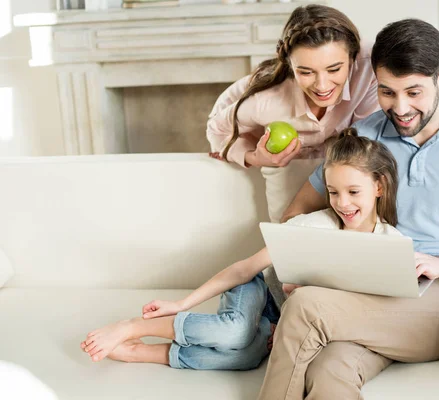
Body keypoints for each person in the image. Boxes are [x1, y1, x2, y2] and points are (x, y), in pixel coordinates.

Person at [257, 19, 439, 400]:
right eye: (387, 92)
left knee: (308, 307)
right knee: (330, 368)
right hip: (368, 293)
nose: (401, 108)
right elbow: (296, 216)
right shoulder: (365, 135)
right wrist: (314, 266)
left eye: (414, 92)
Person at [79, 128, 403, 371]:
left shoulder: (389, 245)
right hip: (259, 291)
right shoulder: (313, 226)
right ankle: (133, 327)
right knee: (235, 332)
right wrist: (181, 302)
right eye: (333, 192)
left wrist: (290, 328)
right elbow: (244, 269)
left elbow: (363, 316)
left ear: (379, 186)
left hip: (285, 319)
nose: (342, 203)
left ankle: (140, 353)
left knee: (248, 357)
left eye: (353, 191)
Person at [207, 4, 379, 169]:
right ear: (290, 65)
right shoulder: (267, 101)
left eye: (334, 69)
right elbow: (217, 128)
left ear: (352, 58)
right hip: (237, 122)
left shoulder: (369, 64)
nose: (322, 86)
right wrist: (254, 157)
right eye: (306, 72)